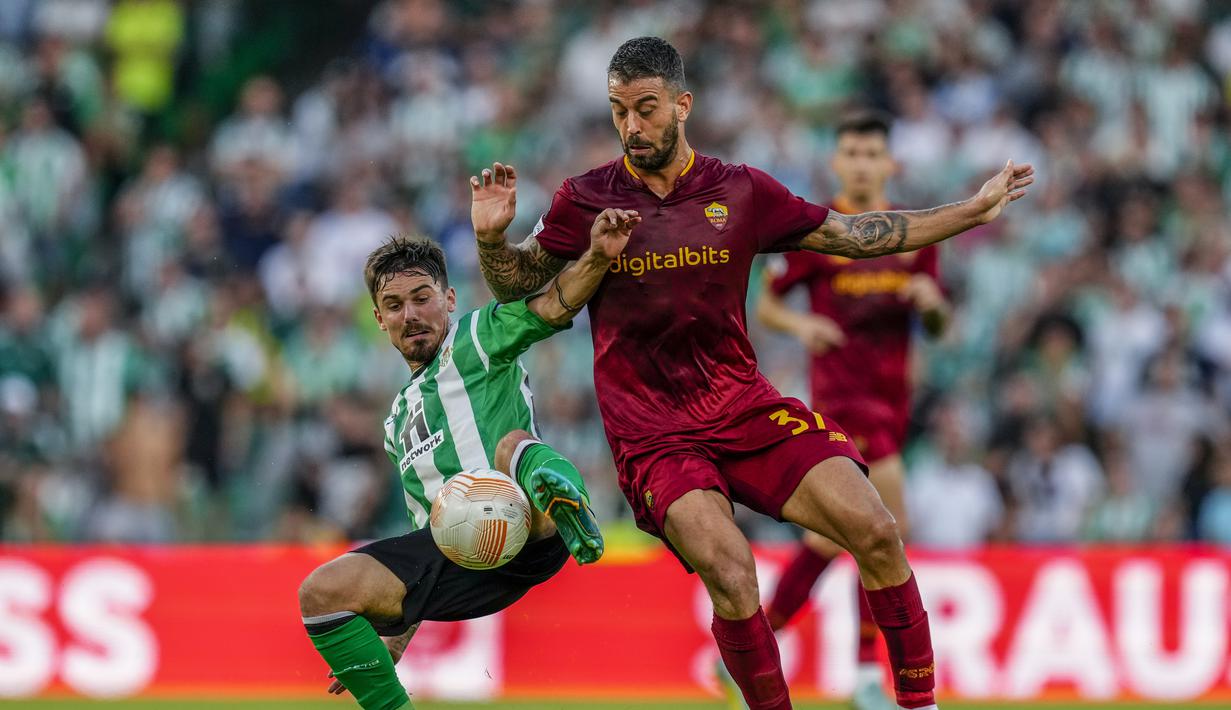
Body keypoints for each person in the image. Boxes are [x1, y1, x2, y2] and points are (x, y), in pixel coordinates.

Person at [470, 36, 1032, 710]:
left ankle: (919, 704)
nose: (631, 126)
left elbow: (853, 235)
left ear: (682, 105)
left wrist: (970, 211)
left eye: (645, 109)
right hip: (654, 436)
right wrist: (490, 240)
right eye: (618, 111)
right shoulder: (585, 198)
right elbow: (514, 286)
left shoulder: (738, 191)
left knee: (878, 531)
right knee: (733, 574)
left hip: (742, 409)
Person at [298, 215, 637, 710]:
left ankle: (568, 503)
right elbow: (423, 527)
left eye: (421, 298)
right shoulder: (396, 424)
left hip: (528, 525)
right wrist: (394, 639)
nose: (409, 314)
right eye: (394, 305)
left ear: (449, 301)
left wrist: (599, 257)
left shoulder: (479, 335)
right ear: (378, 318)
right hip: (464, 560)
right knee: (320, 593)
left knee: (510, 447)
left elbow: (556, 299)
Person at [753, 111, 950, 710]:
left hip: (893, 405)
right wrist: (801, 321)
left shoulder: (911, 235)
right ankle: (868, 672)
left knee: (835, 541)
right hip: (840, 403)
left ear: (890, 164)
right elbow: (765, 306)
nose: (862, 164)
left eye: (872, 154)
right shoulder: (820, 232)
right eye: (852, 154)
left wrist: (932, 301)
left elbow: (938, 326)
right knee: (887, 530)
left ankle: (753, 642)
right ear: (837, 162)